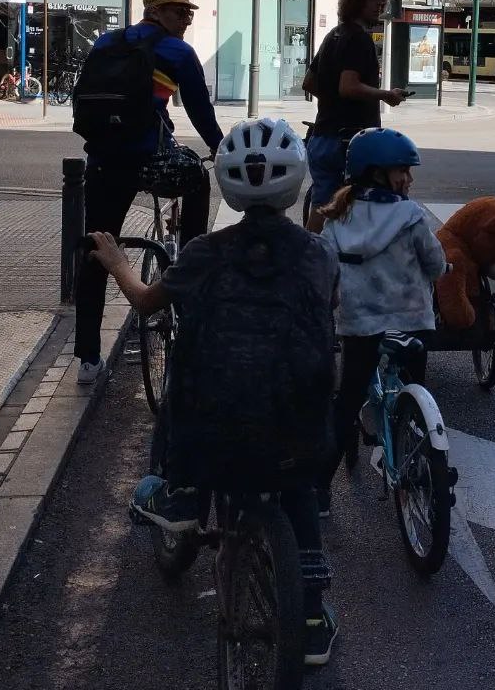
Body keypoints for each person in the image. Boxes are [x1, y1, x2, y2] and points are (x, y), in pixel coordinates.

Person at [88, 117, 340, 665]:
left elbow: (146, 301)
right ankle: (314, 619)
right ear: (295, 181)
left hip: (212, 423)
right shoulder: (319, 255)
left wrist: (118, 262)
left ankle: (181, 496)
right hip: (300, 424)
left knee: (192, 373)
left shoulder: (203, 253)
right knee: (297, 494)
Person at [73, 0, 223, 385]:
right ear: (156, 11)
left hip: (104, 161)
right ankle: (189, 264)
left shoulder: (105, 42)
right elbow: (199, 111)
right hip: (151, 161)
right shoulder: (177, 52)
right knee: (197, 178)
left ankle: (87, 358)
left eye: (190, 13)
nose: (186, 19)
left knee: (98, 247)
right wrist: (220, 147)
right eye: (179, 12)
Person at [317, 128, 447, 510]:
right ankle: (417, 453)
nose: (408, 179)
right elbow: (436, 264)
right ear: (377, 172)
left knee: (346, 404)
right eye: (401, 171)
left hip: (359, 326)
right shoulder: (410, 215)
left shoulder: (336, 220)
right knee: (415, 398)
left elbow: (325, 270)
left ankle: (320, 493)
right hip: (413, 323)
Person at [302, 0, 408, 232]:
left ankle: (306, 259)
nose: (381, 8)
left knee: (323, 204)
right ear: (359, 1)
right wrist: (386, 95)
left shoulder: (334, 35)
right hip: (350, 141)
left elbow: (309, 83)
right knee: (361, 205)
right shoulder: (360, 39)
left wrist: (332, 105)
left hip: (322, 135)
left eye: (383, 3)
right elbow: (348, 86)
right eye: (377, 2)